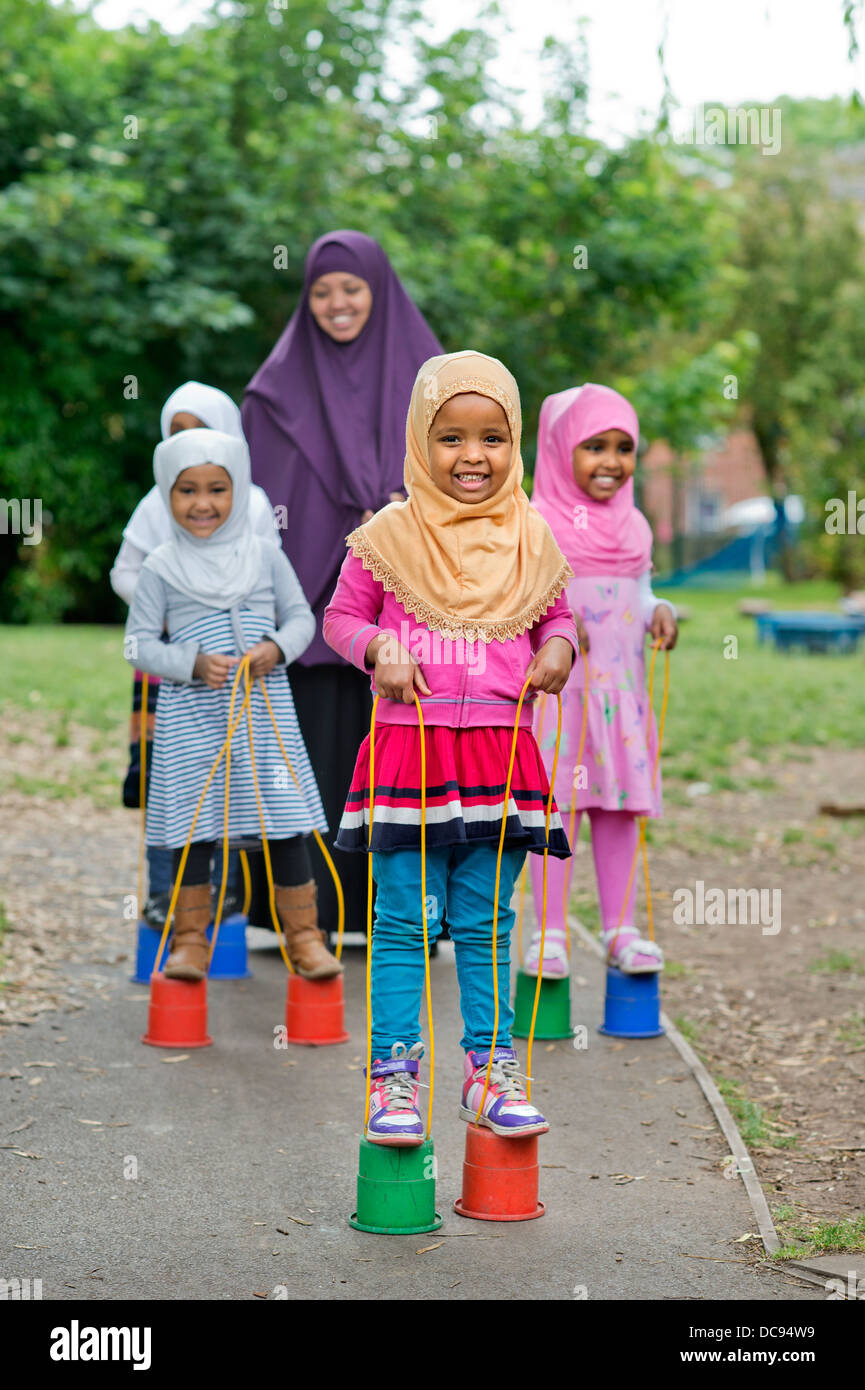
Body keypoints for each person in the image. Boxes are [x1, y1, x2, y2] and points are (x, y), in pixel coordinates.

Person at [322, 350, 579, 1145]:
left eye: (493, 438)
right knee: (401, 923)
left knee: (488, 923)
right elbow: (340, 620)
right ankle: (393, 1080)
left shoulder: (532, 538)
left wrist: (561, 650)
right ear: (418, 442)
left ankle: (489, 1072)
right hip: (411, 757)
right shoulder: (385, 537)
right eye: (451, 438)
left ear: (515, 444)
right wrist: (377, 650)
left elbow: (558, 620)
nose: (473, 457)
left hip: (500, 760)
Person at [242, 231, 443, 940]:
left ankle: (403, 917)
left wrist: (391, 513)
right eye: (321, 290)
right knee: (311, 748)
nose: (336, 303)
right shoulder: (277, 387)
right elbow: (261, 492)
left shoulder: (430, 378)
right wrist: (338, 526)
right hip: (313, 602)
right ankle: (303, 918)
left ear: (377, 289)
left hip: (407, 613)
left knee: (400, 752)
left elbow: (457, 469)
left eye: (350, 288)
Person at [123, 427, 340, 981]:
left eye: (217, 489)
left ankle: (305, 939)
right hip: (192, 721)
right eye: (186, 490)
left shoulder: (264, 555)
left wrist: (275, 648)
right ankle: (192, 943)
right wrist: (190, 662)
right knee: (194, 830)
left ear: (239, 488)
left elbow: (300, 619)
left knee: (285, 823)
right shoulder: (159, 566)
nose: (203, 503)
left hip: (263, 718)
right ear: (165, 496)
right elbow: (138, 643)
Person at [524, 384, 678, 979]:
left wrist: (657, 608)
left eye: (624, 447)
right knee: (556, 808)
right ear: (562, 448)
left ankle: (620, 929)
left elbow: (638, 593)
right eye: (594, 446)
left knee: (618, 807)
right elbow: (519, 604)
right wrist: (553, 624)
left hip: (620, 698)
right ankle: (550, 933)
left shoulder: (634, 525)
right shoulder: (537, 523)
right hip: (562, 705)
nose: (611, 462)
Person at [110, 382, 276, 926]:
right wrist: (164, 602)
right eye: (176, 432)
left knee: (227, 781)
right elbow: (124, 572)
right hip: (173, 666)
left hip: (234, 669)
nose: (189, 441)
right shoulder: (158, 501)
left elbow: (270, 579)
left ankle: (223, 895)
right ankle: (165, 897)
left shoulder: (250, 502)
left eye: (201, 429)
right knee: (170, 782)